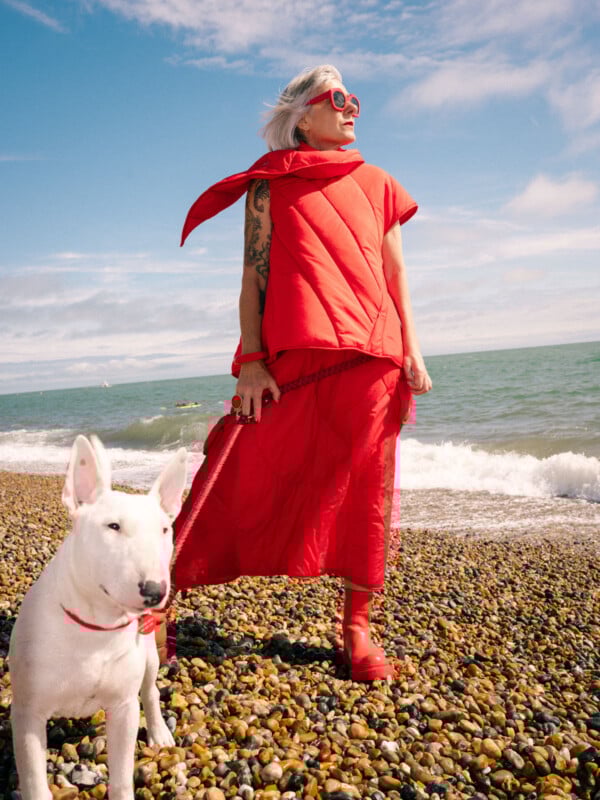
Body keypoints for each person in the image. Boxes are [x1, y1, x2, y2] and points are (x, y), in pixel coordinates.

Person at [161, 65, 431, 681]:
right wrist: (252, 362)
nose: (351, 107)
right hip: (291, 359)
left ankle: (356, 630)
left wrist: (412, 349)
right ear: (302, 116)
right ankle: (161, 594)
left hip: (372, 357)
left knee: (366, 492)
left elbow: (396, 274)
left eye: (354, 97)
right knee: (240, 470)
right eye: (337, 98)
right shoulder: (268, 186)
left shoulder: (381, 184)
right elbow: (253, 278)